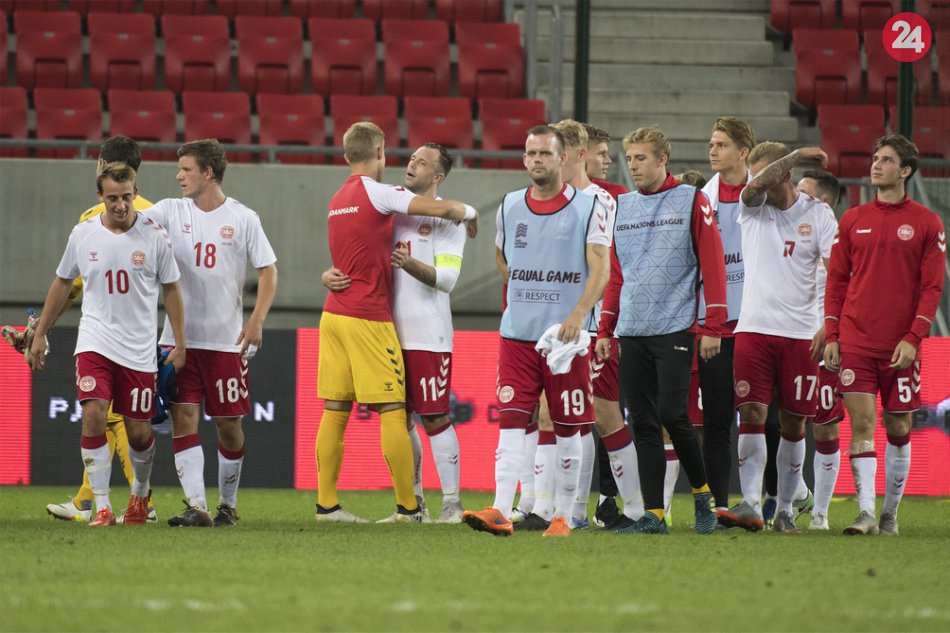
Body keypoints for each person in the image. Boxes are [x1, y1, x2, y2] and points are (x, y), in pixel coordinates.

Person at [315, 123, 477, 523]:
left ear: (438, 177)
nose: (412, 163)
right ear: (380, 152)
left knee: (433, 417)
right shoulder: (391, 205)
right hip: (383, 328)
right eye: (411, 157)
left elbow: (448, 280)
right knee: (397, 416)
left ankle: (451, 503)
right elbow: (358, 252)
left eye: (423, 162)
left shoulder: (436, 220)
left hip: (426, 333)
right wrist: (329, 272)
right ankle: (412, 503)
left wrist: (464, 216)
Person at [1, 136, 160, 524]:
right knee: (103, 416)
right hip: (137, 337)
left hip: (116, 337)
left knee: (113, 419)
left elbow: (72, 285)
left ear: (103, 164)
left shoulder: (94, 215)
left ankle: (136, 502)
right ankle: (95, 501)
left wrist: (40, 329)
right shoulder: (158, 213)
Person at [463, 125, 610, 537]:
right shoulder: (510, 205)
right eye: (530, 154)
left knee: (567, 425)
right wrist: (519, 288)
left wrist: (578, 315)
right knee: (511, 420)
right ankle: (499, 508)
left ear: (562, 158)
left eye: (544, 153)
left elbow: (601, 270)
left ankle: (563, 516)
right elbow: (500, 255)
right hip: (517, 335)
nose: (536, 160)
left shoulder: (589, 206)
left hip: (566, 339)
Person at [29, 162, 186, 527]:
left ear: (135, 193)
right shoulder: (83, 234)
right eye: (112, 198)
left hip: (138, 349)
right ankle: (101, 507)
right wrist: (40, 333)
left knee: (139, 432)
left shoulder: (155, 236)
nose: (120, 204)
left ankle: (139, 497)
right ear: (100, 196)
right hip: (95, 341)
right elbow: (62, 283)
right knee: (94, 414)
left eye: (126, 197)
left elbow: (172, 290)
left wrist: (180, 343)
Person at [140, 139, 278, 528]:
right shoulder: (169, 210)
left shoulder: (243, 217)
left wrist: (257, 319)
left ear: (208, 172)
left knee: (229, 425)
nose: (178, 175)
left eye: (186, 169)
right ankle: (197, 506)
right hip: (179, 341)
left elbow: (268, 270)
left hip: (225, 342)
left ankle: (227, 506)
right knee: (183, 417)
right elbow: (131, 221)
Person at [597, 125, 725, 535]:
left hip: (675, 326)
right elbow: (618, 275)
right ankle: (654, 515)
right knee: (644, 423)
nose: (633, 166)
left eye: (641, 158)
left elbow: (713, 263)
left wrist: (714, 325)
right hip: (632, 330)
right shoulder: (624, 206)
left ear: (662, 159)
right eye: (629, 158)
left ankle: (702, 495)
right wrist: (605, 329)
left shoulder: (691, 199)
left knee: (674, 415)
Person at [824, 134, 945, 536]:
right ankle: (866, 514)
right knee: (861, 425)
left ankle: (890, 514)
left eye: (887, 160)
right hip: (856, 340)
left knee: (898, 428)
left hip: (900, 346)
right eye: (876, 158)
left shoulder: (927, 223)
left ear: (905, 170)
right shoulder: (852, 219)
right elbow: (836, 281)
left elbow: (932, 287)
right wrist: (832, 333)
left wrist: (914, 337)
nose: (876, 165)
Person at [715, 143, 837, 534]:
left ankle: (784, 509)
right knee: (751, 413)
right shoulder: (752, 207)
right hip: (754, 328)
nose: (753, 181)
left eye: (763, 172)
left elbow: (836, 271)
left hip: (801, 334)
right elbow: (755, 186)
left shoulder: (818, 214)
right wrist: (797, 154)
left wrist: (829, 323)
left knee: (794, 422)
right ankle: (751, 504)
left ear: (783, 175)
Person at [796, 168, 844, 530]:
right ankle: (796, 494)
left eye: (803, 193)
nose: (795, 198)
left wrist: (829, 328)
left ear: (822, 202)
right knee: (779, 423)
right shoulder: (788, 230)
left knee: (824, 428)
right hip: (786, 338)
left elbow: (849, 289)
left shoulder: (840, 242)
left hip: (824, 343)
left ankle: (820, 514)